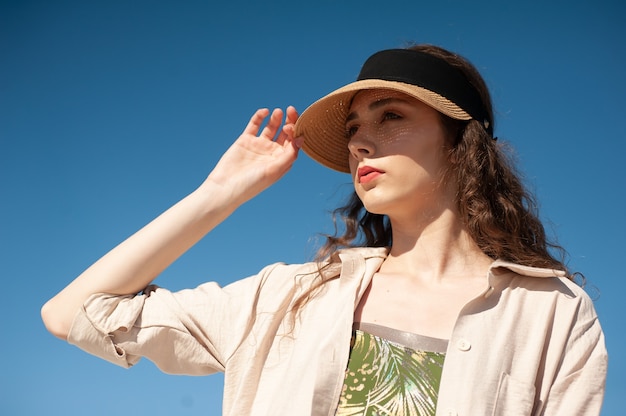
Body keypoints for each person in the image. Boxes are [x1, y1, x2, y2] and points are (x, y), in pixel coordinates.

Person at [41, 44, 607, 415]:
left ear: (463, 145)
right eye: (356, 127)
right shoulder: (289, 297)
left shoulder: (552, 311)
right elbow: (73, 314)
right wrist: (218, 195)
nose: (362, 141)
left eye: (392, 117)